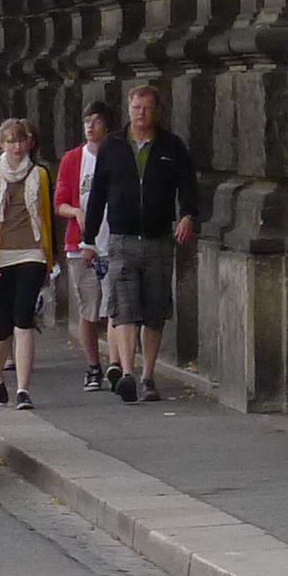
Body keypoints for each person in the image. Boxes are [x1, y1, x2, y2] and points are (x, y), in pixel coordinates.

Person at [82, 84, 200, 405]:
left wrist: (187, 215)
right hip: (121, 239)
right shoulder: (113, 146)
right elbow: (98, 195)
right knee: (123, 308)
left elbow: (188, 185)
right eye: (136, 108)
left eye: (146, 108)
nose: (141, 114)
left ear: (156, 110)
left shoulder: (171, 146)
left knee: (154, 311)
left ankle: (148, 375)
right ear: (128, 109)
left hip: (158, 239)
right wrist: (88, 239)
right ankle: (128, 373)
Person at [0, 118, 54, 410]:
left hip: (32, 253)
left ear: (28, 142)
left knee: (24, 318)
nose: (17, 147)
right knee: (2, 325)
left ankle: (23, 389)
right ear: (1, 144)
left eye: (20, 141)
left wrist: (48, 260)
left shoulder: (39, 174)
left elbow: (45, 217)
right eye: (10, 141)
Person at [53, 102, 116, 392]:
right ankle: (93, 366)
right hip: (80, 244)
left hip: (113, 241)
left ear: (107, 126)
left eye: (96, 121)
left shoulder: (117, 155)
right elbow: (60, 203)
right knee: (88, 309)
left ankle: (116, 364)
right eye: (87, 121)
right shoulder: (73, 159)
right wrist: (77, 212)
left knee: (115, 308)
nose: (90, 126)